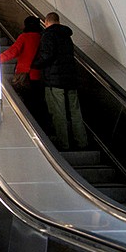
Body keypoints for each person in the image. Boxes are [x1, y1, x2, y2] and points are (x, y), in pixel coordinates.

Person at [32, 12, 89, 151]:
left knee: (59, 113)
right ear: (58, 21)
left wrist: (34, 64)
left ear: (46, 22)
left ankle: (64, 143)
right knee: (75, 112)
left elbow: (47, 55)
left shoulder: (48, 35)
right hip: (71, 80)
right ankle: (82, 142)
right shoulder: (67, 36)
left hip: (55, 80)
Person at [1, 16, 47, 126]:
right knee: (37, 100)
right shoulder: (42, 37)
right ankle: (40, 124)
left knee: (26, 100)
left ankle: (27, 124)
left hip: (25, 74)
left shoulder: (25, 37)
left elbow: (13, 51)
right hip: (39, 75)